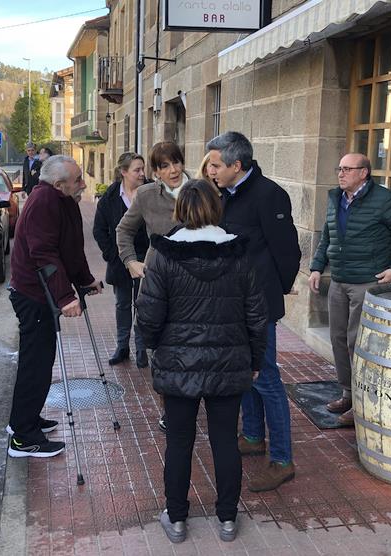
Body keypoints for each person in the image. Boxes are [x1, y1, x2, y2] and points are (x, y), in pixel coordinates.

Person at [136, 179, 267, 544]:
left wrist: (156, 349)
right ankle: (227, 518)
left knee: (179, 441)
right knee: (225, 440)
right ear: (215, 208)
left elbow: (147, 316)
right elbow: (257, 315)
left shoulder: (162, 254)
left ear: (181, 210)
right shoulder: (238, 253)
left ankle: (176, 518)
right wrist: (255, 359)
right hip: (229, 361)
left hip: (178, 363)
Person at [206, 131, 301, 492]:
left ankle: (281, 459)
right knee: (245, 371)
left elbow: (287, 251)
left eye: (216, 165)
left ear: (236, 165)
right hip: (234, 301)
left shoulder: (269, 194)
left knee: (267, 379)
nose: (211, 170)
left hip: (258, 304)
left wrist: (277, 290)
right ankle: (251, 435)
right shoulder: (226, 193)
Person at [308, 153, 391, 426]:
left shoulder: (384, 200)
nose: (341, 173)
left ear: (364, 173)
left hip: (366, 283)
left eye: (347, 169)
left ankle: (362, 402)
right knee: (337, 339)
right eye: (340, 168)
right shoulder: (336, 199)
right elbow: (328, 235)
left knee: (356, 342)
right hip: (338, 281)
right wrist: (316, 267)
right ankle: (347, 394)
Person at [7, 155, 102, 457]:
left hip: (43, 295)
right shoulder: (44, 203)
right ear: (59, 184)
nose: (83, 184)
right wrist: (65, 298)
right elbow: (44, 255)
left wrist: (84, 281)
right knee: (36, 365)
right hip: (34, 296)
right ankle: (23, 438)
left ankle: (25, 420)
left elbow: (72, 250)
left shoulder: (65, 202)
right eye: (77, 180)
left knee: (40, 362)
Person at [116, 141, 190, 432]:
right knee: (162, 347)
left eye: (176, 162)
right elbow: (124, 230)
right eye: (164, 166)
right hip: (159, 281)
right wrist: (130, 261)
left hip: (197, 280)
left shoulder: (200, 190)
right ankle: (169, 411)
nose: (173, 170)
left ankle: (197, 401)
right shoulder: (147, 195)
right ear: (155, 172)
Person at [93, 153, 150, 368]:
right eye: (137, 170)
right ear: (124, 172)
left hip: (147, 259)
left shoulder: (151, 192)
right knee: (122, 304)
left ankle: (142, 348)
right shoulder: (109, 198)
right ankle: (122, 347)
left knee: (144, 305)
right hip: (120, 262)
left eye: (143, 169)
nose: (142, 173)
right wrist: (112, 254)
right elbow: (99, 230)